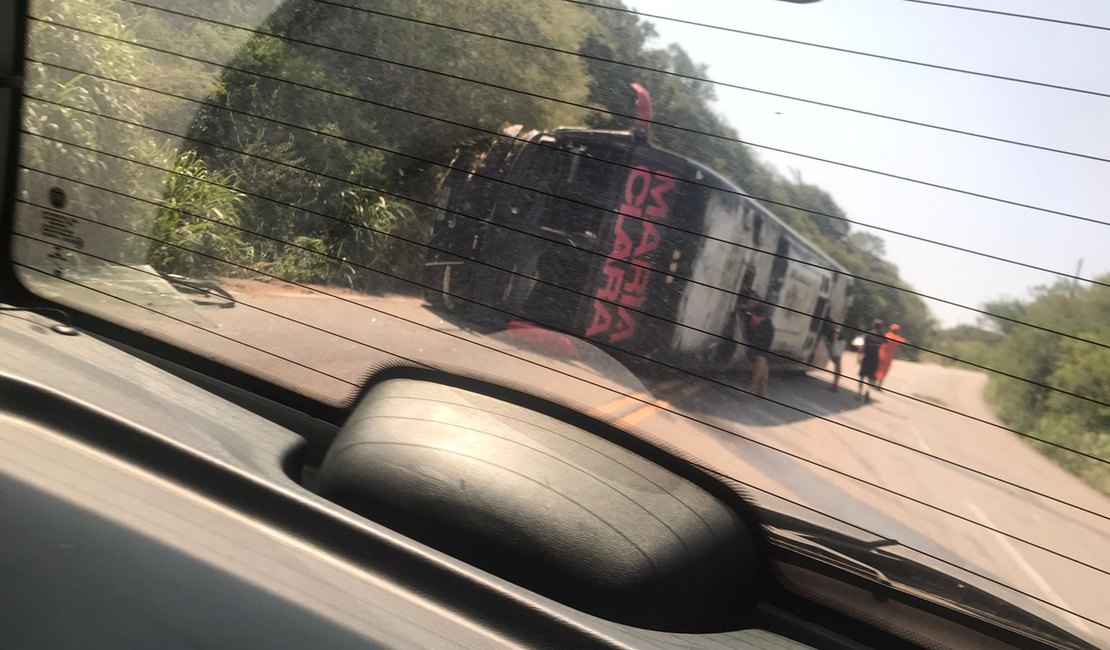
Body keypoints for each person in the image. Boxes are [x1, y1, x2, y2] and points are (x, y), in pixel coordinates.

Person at [738, 290, 775, 396]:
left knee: (759, 358)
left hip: (762, 331)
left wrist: (742, 307)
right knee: (762, 358)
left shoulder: (757, 307)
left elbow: (751, 316)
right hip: (765, 330)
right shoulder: (760, 306)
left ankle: (753, 387)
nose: (751, 301)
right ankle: (762, 388)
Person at [857, 319, 884, 401]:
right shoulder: (881, 336)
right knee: (871, 378)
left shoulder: (867, 335)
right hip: (875, 359)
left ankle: (859, 394)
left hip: (866, 358)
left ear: (873, 325)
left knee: (861, 377)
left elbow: (861, 345)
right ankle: (867, 393)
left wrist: (858, 356)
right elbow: (885, 344)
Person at [875, 323, 906, 389]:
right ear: (896, 330)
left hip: (880, 354)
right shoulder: (897, 338)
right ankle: (878, 386)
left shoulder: (886, 335)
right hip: (888, 358)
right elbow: (903, 341)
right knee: (884, 371)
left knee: (877, 369)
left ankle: (873, 384)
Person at [825, 325, 847, 392]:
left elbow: (833, 343)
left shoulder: (835, 335)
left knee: (837, 368)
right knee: (837, 368)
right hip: (837, 350)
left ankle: (835, 385)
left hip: (836, 350)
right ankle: (835, 384)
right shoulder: (839, 338)